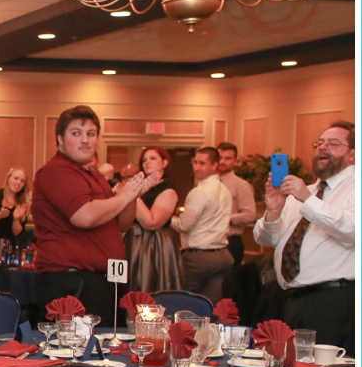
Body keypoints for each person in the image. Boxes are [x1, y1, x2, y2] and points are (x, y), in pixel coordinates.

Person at [32, 105, 156, 316]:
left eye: (91, 134)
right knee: (78, 347)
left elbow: (121, 223)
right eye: (76, 133)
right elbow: (85, 216)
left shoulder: (93, 174)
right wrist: (124, 196)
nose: (85, 140)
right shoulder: (57, 171)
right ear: (60, 139)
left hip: (104, 278)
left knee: (107, 344)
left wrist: (132, 196)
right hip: (73, 280)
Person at [254, 120, 355, 355]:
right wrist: (274, 210)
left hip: (332, 300)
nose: (323, 148)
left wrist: (306, 200)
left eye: (333, 144)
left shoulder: (354, 189)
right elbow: (266, 239)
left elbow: (351, 231)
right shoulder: (304, 191)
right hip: (290, 298)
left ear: (353, 154)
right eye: (319, 143)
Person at [172, 147, 233, 304]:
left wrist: (165, 218)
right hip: (222, 255)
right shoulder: (224, 190)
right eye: (195, 162)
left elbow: (184, 225)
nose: (196, 167)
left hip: (199, 259)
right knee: (210, 307)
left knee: (182, 302)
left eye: (202, 163)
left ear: (215, 165)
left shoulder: (200, 191)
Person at [123, 147, 181, 293]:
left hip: (153, 244)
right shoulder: (143, 187)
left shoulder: (168, 190)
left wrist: (133, 195)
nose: (147, 162)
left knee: (149, 285)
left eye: (153, 158)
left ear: (165, 163)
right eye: (144, 160)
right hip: (132, 241)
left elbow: (152, 222)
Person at [216, 142, 258, 266]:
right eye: (220, 157)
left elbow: (250, 215)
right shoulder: (206, 183)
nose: (222, 161)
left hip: (230, 241)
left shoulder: (241, 185)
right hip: (209, 242)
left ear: (235, 161)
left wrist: (225, 219)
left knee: (229, 283)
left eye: (227, 158)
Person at [0, 167, 30, 259]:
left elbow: (17, 232)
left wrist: (16, 219)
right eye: (16, 178)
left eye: (22, 181)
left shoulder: (21, 203)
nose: (18, 183)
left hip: (9, 248)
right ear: (8, 179)